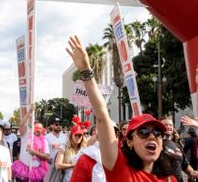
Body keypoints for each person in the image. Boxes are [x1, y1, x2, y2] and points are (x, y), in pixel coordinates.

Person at [66, 35, 177, 181]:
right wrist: (86, 70)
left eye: (158, 133)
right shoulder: (119, 167)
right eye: (143, 132)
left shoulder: (170, 179)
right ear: (129, 141)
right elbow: (102, 118)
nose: (152, 136)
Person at [12, 104, 50, 182]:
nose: (38, 130)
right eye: (36, 127)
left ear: (42, 130)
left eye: (40, 128)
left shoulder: (44, 140)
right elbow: (21, 124)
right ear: (33, 127)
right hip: (22, 169)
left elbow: (47, 156)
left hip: (36, 172)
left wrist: (35, 152)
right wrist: (29, 112)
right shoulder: (26, 134)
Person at [161, 116, 198, 182]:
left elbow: (185, 166)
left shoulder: (177, 146)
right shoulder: (156, 145)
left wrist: (194, 173)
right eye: (165, 125)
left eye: (170, 125)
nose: (168, 127)